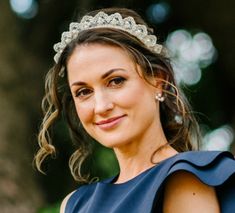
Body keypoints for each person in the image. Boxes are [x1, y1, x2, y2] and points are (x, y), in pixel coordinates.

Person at [35, 7, 235, 213]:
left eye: (116, 81)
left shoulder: (184, 177)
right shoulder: (75, 204)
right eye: (84, 92)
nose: (101, 106)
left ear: (159, 81)